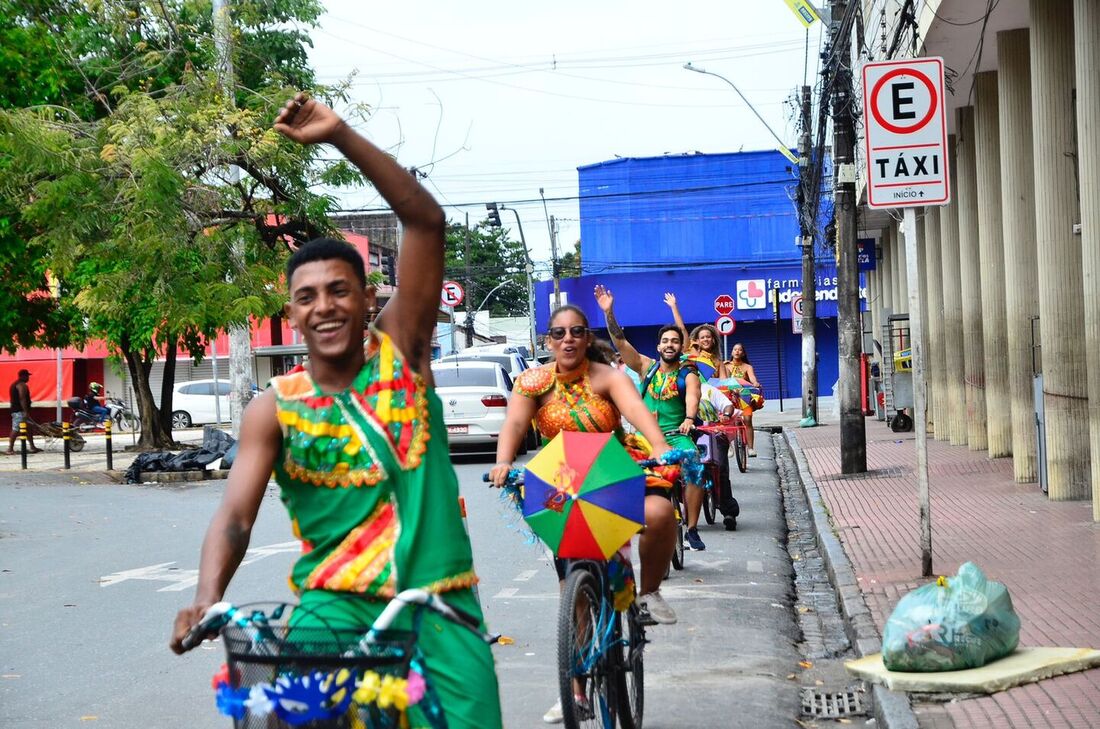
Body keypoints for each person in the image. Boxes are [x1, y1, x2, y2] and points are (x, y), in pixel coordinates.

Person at [169, 93, 502, 728]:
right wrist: (206, 599)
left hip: (438, 605)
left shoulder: (401, 354)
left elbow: (425, 221)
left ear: (366, 296)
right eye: (307, 296)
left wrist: (340, 135)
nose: (324, 305)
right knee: (288, 717)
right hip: (331, 609)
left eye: (339, 290)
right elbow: (235, 517)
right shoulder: (274, 409)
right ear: (291, 312)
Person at [489, 304, 679, 724]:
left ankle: (646, 593)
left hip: (613, 471)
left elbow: (638, 413)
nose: (568, 339)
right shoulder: (533, 381)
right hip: (560, 483)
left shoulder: (606, 375)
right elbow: (514, 426)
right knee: (571, 592)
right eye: (559, 333)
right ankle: (575, 690)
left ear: (586, 336)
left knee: (662, 514)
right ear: (548, 340)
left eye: (576, 331)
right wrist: (504, 461)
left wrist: (659, 445)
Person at [594, 284, 711, 552]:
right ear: (658, 346)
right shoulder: (646, 367)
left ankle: (692, 529)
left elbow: (692, 398)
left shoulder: (688, 373)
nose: (670, 345)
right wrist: (609, 312)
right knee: (616, 471)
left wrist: (689, 419)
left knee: (694, 465)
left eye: (675, 341)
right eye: (665, 341)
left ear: (681, 346)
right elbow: (620, 342)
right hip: (644, 439)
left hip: (677, 437)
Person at [663, 292, 729, 380]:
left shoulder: (719, 362)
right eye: (702, 337)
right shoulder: (690, 351)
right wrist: (674, 307)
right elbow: (682, 329)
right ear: (697, 341)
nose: (705, 339)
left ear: (713, 340)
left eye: (708, 337)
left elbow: (723, 382)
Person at [727, 342, 763, 457]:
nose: (737, 351)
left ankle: (750, 448)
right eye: (735, 349)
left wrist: (755, 383)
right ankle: (729, 447)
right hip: (730, 395)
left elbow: (752, 378)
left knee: (747, 420)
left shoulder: (748, 367)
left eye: (740, 350)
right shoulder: (726, 366)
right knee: (726, 420)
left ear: (743, 353)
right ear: (732, 352)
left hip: (744, 396)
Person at [6, 369, 40, 454]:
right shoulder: (21, 385)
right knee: (16, 428)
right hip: (19, 411)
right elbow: (22, 398)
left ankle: (32, 447)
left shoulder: (14, 384)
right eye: (27, 376)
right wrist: (25, 411)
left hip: (18, 410)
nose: (28, 378)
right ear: (23, 376)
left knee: (29, 428)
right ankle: (10, 449)